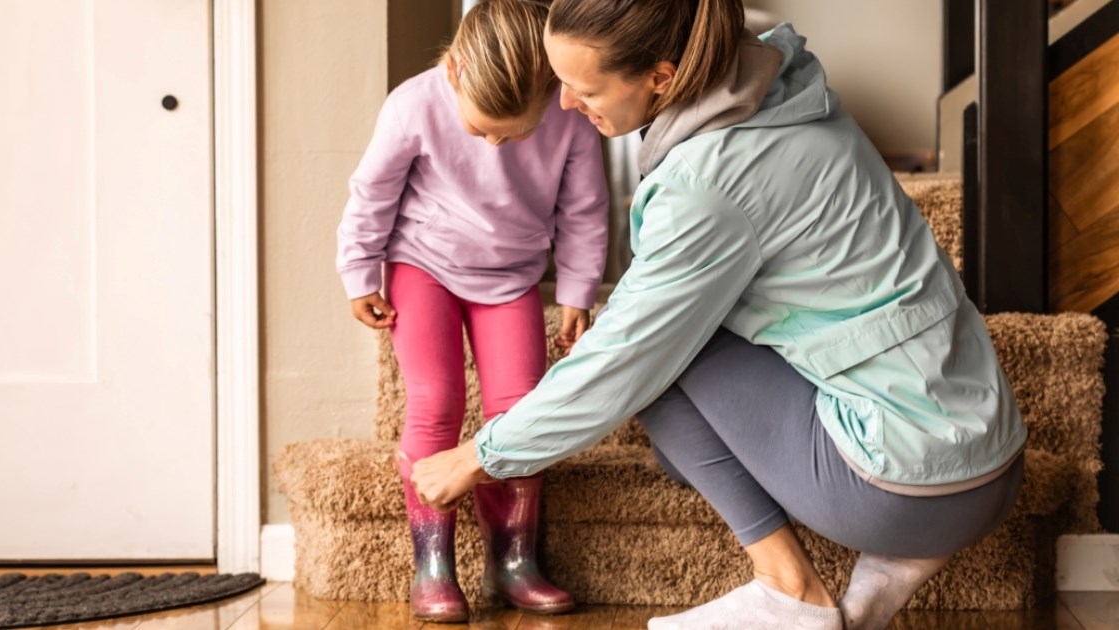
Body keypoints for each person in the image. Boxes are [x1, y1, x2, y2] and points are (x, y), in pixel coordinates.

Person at [408, 1, 1027, 629]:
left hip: (903, 490)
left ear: (662, 77)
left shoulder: (708, 184)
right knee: (672, 337)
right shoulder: (787, 89)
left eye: (585, 87)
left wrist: (479, 456)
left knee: (655, 353)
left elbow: (624, 357)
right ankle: (890, 570)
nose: (564, 104)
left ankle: (789, 590)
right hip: (991, 458)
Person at [335, 0, 609, 623]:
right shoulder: (414, 103)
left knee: (520, 411)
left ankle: (513, 563)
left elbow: (586, 209)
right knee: (436, 403)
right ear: (455, 71)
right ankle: (433, 566)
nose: (493, 145)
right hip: (421, 265)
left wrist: (577, 290)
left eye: (512, 135)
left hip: (511, 277)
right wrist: (359, 272)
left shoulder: (570, 118)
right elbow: (371, 194)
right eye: (482, 129)